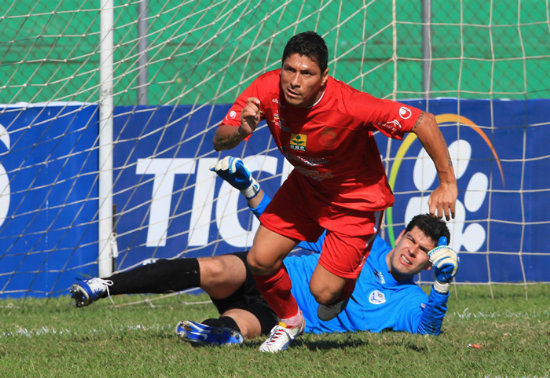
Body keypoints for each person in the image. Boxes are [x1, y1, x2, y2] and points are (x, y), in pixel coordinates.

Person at [212, 31, 458, 351]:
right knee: (260, 260)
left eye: (307, 73)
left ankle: (345, 285)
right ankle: (289, 321)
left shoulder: (351, 105)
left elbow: (423, 121)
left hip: (356, 201)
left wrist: (447, 183)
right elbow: (220, 139)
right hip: (306, 187)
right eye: (289, 69)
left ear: (324, 77)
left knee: (324, 294)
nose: (295, 81)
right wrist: (240, 130)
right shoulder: (265, 88)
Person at [70, 157, 458, 347]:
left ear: (428, 264)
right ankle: (104, 284)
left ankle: (211, 332)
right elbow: (287, 230)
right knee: (218, 267)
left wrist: (442, 286)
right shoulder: (362, 242)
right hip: (269, 274)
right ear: (402, 233)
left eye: (424, 252)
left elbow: (427, 328)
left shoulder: (408, 299)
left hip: (285, 310)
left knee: (246, 324)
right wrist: (249, 188)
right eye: (412, 240)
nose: (413, 251)